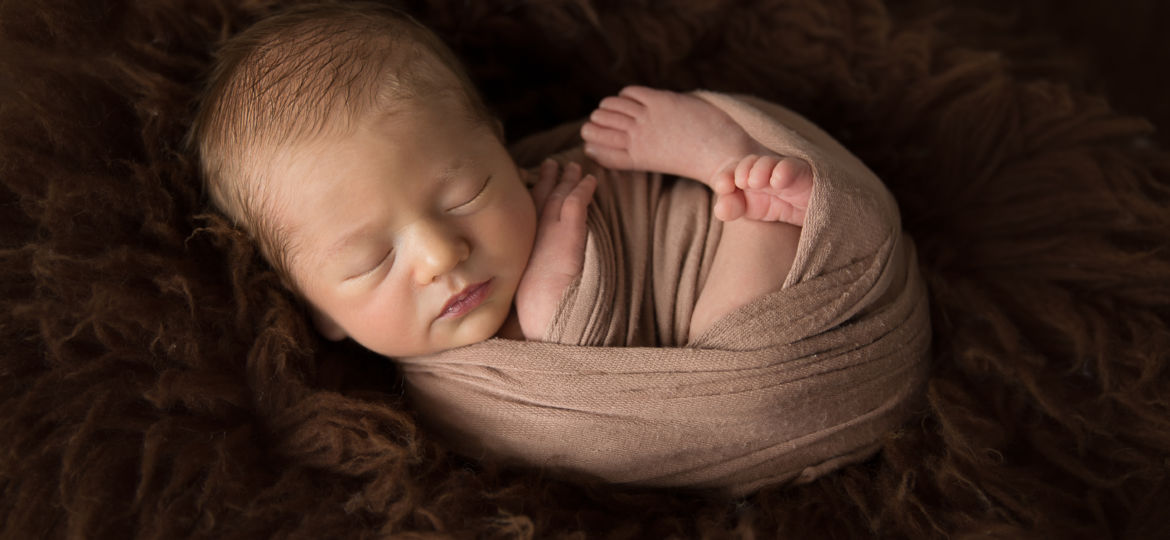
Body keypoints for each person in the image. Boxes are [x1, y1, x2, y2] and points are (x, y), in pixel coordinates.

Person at [189, 1, 813, 358]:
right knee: (734, 365)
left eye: (466, 194)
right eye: (370, 260)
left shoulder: (565, 190)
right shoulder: (430, 405)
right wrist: (546, 305)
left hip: (693, 254)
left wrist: (563, 275)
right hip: (719, 400)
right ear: (320, 313)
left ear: (503, 150)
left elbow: (620, 320)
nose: (439, 254)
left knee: (731, 334)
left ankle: (742, 192)